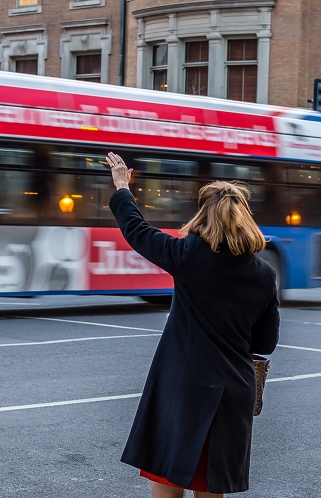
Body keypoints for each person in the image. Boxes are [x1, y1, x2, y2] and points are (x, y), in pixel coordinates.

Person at [105, 152, 280, 498]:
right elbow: (265, 342)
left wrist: (123, 187)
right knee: (211, 488)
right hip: (231, 397)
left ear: (203, 215)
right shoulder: (264, 274)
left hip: (182, 394)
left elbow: (137, 231)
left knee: (169, 486)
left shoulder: (188, 256)